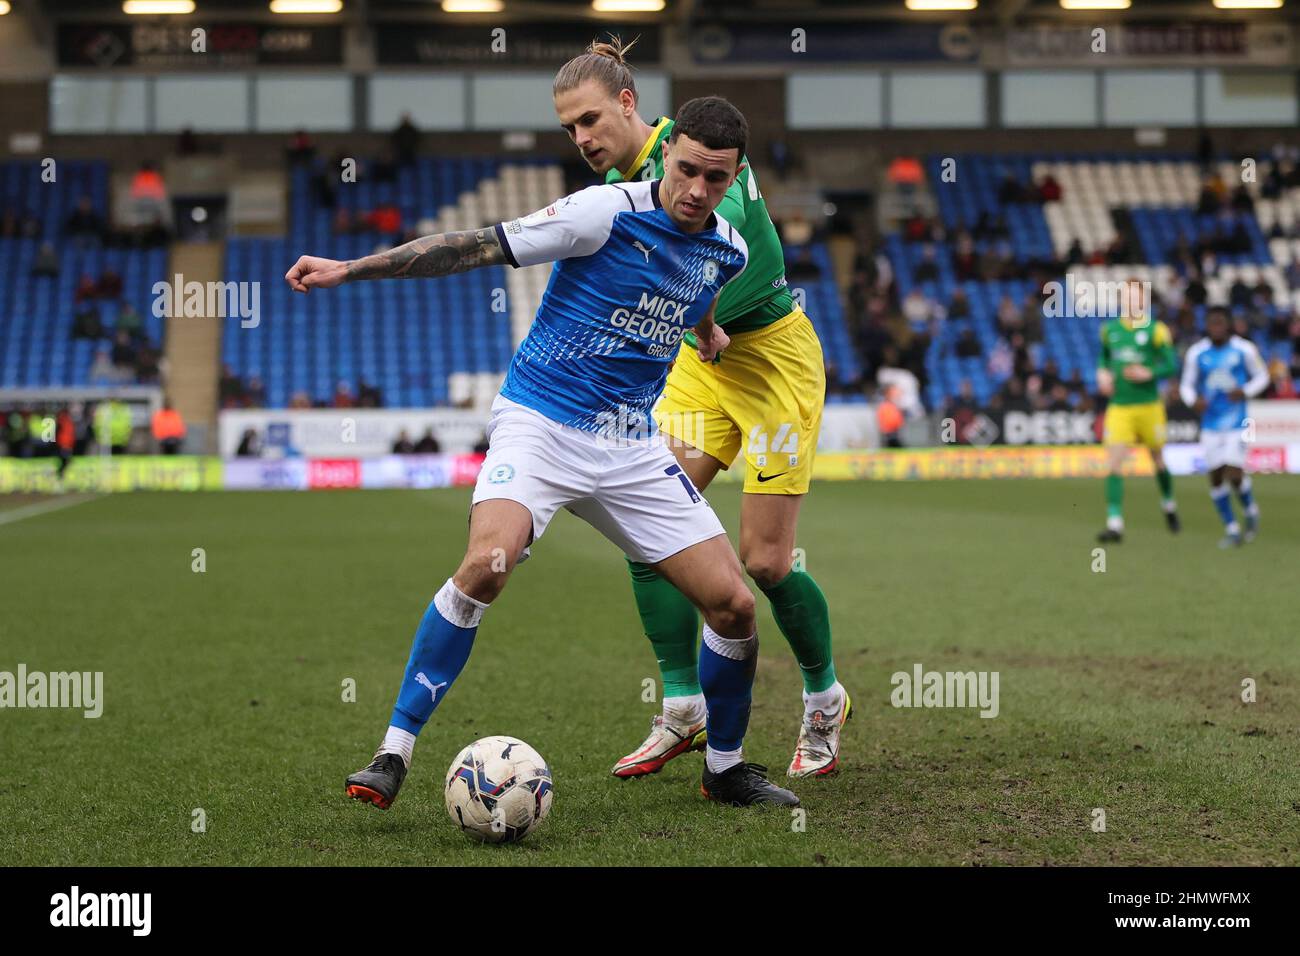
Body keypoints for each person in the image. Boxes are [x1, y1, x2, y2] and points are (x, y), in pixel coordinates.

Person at [286, 95, 798, 810]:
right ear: (668, 148)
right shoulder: (603, 211)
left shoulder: (730, 248)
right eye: (685, 171)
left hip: (630, 446)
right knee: (485, 567)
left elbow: (702, 280)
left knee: (736, 605)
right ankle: (391, 755)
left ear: (735, 177)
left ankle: (725, 768)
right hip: (543, 424)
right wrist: (353, 268)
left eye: (715, 180)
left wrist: (709, 332)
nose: (695, 191)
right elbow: (470, 246)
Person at [553, 38, 850, 780]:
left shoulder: (700, 158)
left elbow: (746, 262)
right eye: (570, 130)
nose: (584, 139)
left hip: (772, 358)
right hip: (702, 367)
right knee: (647, 528)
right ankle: (683, 708)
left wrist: (695, 317)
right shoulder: (623, 191)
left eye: (591, 120)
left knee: (766, 563)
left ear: (629, 105)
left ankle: (824, 698)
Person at [1096, 279, 1180, 543]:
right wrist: (1102, 375)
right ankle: (1115, 523)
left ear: (1144, 301)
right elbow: (1104, 358)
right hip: (1120, 406)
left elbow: (1172, 364)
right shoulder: (1110, 330)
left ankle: (1168, 504)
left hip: (1149, 406)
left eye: (1137, 297)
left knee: (1158, 459)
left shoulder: (1156, 330)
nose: (1133, 302)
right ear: (1122, 300)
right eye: (1128, 297)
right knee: (1113, 463)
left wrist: (1149, 372)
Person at [1179, 307, 1270, 548]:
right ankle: (1232, 528)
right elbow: (1186, 385)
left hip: (1238, 421)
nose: (1216, 328)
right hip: (1210, 423)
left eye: (1220, 323)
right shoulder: (1197, 353)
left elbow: (1263, 377)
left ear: (1228, 325)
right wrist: (1192, 400)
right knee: (1216, 476)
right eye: (1212, 323)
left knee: (1234, 472)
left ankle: (1250, 509)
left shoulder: (1244, 349)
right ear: (1207, 326)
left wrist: (1245, 391)